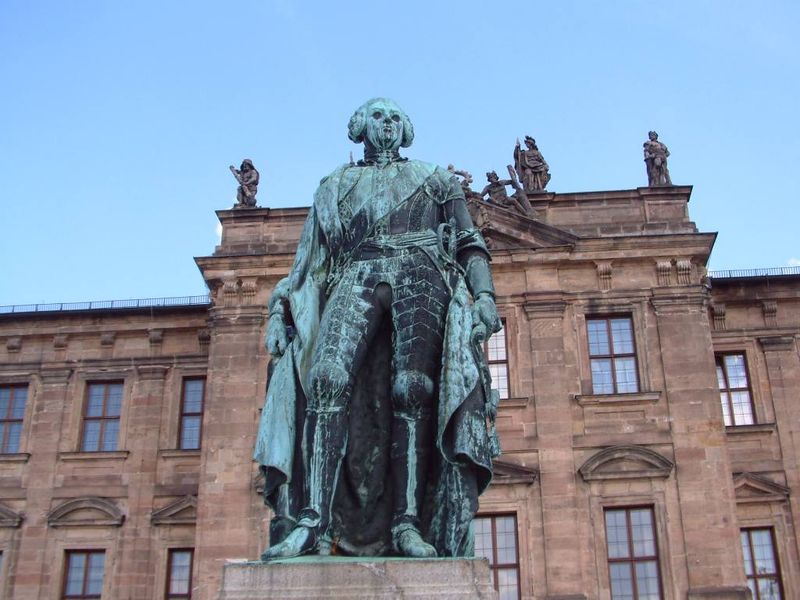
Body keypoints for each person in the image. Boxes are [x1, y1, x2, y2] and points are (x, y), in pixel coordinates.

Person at [254, 98, 501, 560]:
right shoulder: (334, 185)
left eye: (394, 118)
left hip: (421, 269)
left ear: (404, 129)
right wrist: (277, 311)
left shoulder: (435, 179)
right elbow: (309, 263)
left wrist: (484, 295)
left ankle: (407, 524)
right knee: (325, 378)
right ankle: (312, 522)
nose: (386, 125)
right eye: (378, 117)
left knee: (413, 388)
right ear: (359, 127)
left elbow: (469, 241)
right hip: (358, 268)